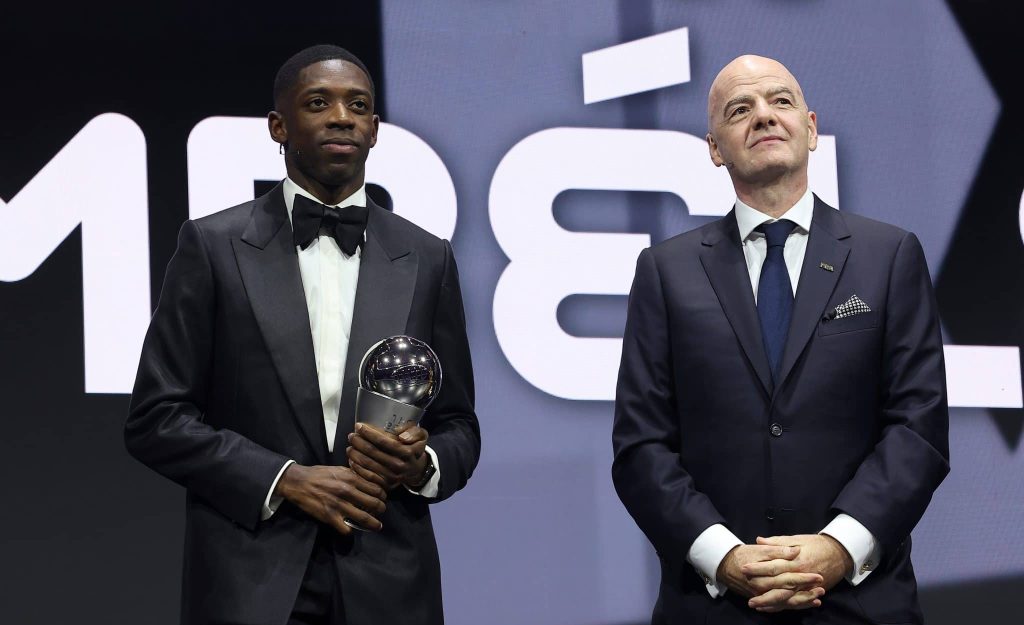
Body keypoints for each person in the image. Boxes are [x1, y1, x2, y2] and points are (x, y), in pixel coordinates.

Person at [125, 44, 479, 625]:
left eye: (357, 106)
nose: (341, 117)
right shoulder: (212, 247)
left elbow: (459, 425)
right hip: (252, 580)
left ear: (374, 129)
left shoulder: (428, 257)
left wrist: (422, 464)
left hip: (390, 582)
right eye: (318, 103)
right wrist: (284, 479)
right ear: (279, 126)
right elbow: (155, 419)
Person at [612, 55, 949, 624]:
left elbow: (918, 428)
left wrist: (839, 548)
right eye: (739, 109)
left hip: (859, 605)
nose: (764, 116)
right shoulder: (665, 272)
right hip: (715, 608)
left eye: (781, 101)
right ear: (715, 148)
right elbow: (641, 447)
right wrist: (724, 557)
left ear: (811, 129)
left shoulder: (889, 255)